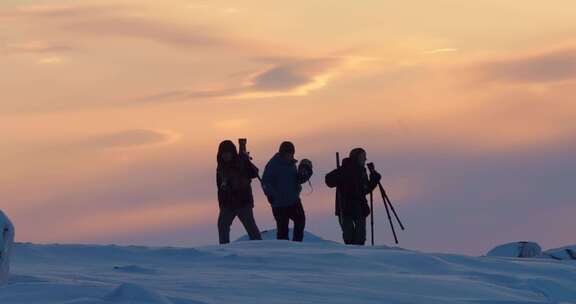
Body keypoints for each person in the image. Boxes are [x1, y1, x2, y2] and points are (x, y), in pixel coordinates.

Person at [325, 148, 381, 245]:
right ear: (356, 158)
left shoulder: (361, 171)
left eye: (365, 157)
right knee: (349, 237)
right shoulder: (345, 169)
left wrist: (374, 176)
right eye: (363, 157)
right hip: (345, 208)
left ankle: (357, 257)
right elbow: (329, 181)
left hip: (359, 208)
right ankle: (352, 257)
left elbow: (365, 189)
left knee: (359, 238)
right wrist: (339, 173)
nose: (365, 159)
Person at [262, 141, 313, 242]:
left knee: (300, 221)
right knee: (282, 231)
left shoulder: (292, 164)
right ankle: (284, 253)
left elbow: (296, 180)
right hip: (279, 204)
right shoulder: (273, 164)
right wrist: (271, 195)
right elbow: (265, 181)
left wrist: (305, 175)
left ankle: (297, 245)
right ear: (281, 153)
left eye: (291, 153)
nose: (289, 155)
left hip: (293, 201)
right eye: (287, 153)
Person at [216, 140, 262, 244]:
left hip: (243, 202)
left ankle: (260, 248)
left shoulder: (241, 162)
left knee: (251, 228)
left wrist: (246, 161)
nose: (226, 155)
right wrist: (222, 204)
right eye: (224, 153)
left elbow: (254, 173)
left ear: (232, 153)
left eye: (228, 153)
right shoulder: (220, 168)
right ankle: (224, 249)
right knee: (222, 225)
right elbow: (220, 189)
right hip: (228, 204)